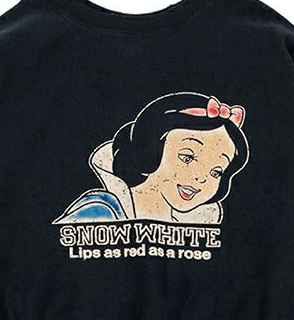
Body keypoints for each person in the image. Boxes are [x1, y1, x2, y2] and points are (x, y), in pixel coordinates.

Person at [52, 91, 250, 224]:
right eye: (187, 158)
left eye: (216, 171)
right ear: (149, 148)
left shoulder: (198, 226)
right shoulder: (97, 212)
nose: (201, 178)